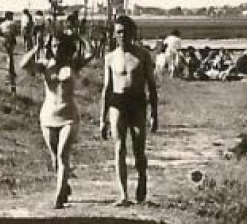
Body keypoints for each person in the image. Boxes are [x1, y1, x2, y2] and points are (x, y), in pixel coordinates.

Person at [20, 26, 95, 208]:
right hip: (48, 116)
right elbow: (23, 65)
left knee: (63, 154)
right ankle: (64, 183)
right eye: (53, 45)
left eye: (60, 45)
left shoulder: (73, 64)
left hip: (68, 116)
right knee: (55, 157)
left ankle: (59, 196)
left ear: (66, 47)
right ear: (49, 46)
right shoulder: (45, 64)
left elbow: (91, 53)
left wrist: (80, 36)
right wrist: (36, 48)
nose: (57, 49)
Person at [99, 15, 160, 205]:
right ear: (114, 35)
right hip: (117, 103)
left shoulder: (142, 55)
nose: (122, 36)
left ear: (132, 33)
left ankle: (142, 179)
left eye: (125, 32)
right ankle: (123, 194)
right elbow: (107, 89)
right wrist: (102, 118)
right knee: (119, 148)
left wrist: (154, 114)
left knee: (138, 148)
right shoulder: (110, 58)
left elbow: (151, 85)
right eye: (118, 32)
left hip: (137, 103)